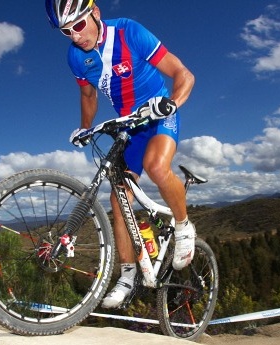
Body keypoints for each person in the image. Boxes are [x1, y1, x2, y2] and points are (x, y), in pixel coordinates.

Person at [46, 0, 196, 309]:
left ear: (95, 13)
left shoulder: (129, 32)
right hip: (129, 124)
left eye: (78, 25)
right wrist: (84, 128)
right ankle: (127, 275)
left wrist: (172, 103)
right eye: (65, 31)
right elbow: (88, 95)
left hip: (158, 113)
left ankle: (183, 227)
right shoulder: (76, 56)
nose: (75, 36)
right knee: (118, 197)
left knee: (156, 166)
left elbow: (183, 73)